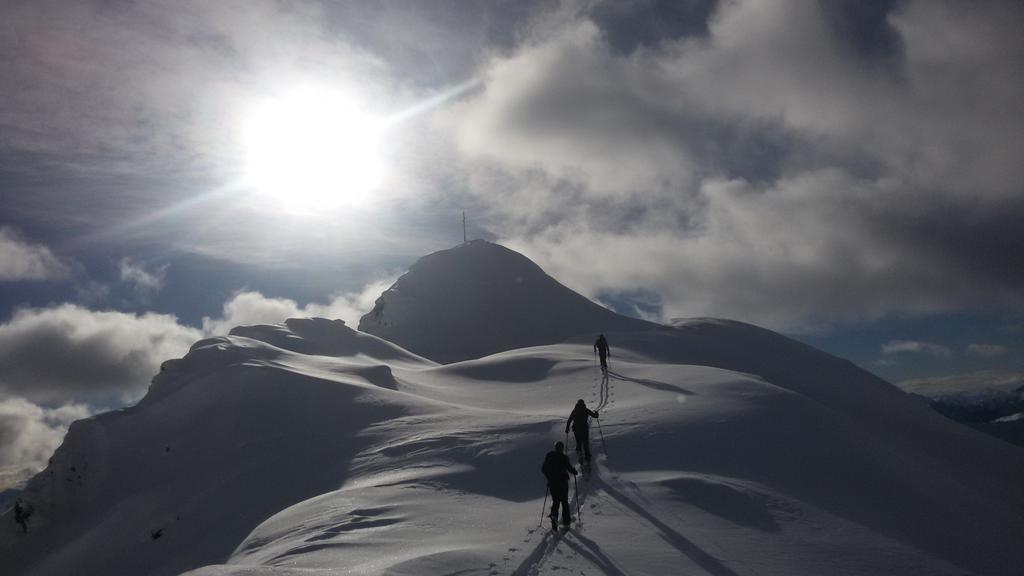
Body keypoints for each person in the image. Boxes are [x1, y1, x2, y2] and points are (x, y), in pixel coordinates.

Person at [541, 441, 577, 527]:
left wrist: (549, 478)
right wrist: (575, 471)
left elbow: (543, 469)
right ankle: (566, 521)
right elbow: (569, 468)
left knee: (556, 501)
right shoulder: (563, 457)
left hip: (552, 483)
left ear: (555, 447)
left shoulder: (549, 455)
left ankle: (554, 517)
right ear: (562, 448)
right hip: (562, 482)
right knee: (564, 501)